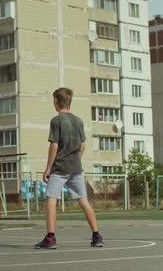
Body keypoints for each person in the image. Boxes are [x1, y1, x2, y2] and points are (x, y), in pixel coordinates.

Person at [35, 87, 104, 249]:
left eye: (54, 100)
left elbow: (54, 145)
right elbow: (83, 146)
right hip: (76, 168)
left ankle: (50, 237)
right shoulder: (78, 121)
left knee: (51, 199)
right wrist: (75, 160)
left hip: (59, 168)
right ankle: (97, 236)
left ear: (57, 102)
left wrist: (47, 169)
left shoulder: (56, 121)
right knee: (83, 200)